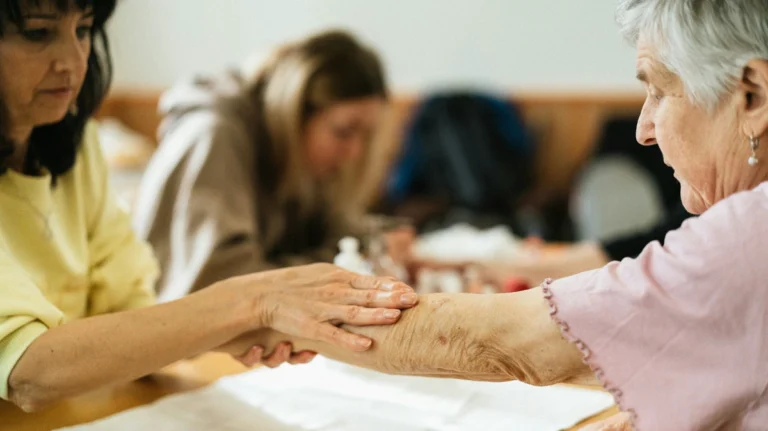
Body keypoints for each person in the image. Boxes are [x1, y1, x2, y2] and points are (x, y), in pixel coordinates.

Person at [243, 1, 768, 429]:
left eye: (659, 91)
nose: (643, 129)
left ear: (753, 95)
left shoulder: (750, 234)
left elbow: (508, 339)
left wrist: (265, 309)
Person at [0, 0, 418, 413]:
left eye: (84, 30)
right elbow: (29, 374)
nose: (74, 62)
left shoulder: (77, 148)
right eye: (38, 32)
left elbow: (137, 312)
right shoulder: (215, 132)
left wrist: (240, 327)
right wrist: (253, 302)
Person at [132, 30, 390, 301]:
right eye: (344, 131)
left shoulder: (302, 158)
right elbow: (218, 288)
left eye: (365, 136)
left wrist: (374, 245)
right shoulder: (215, 136)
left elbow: (339, 231)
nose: (354, 152)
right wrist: (346, 267)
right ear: (295, 114)